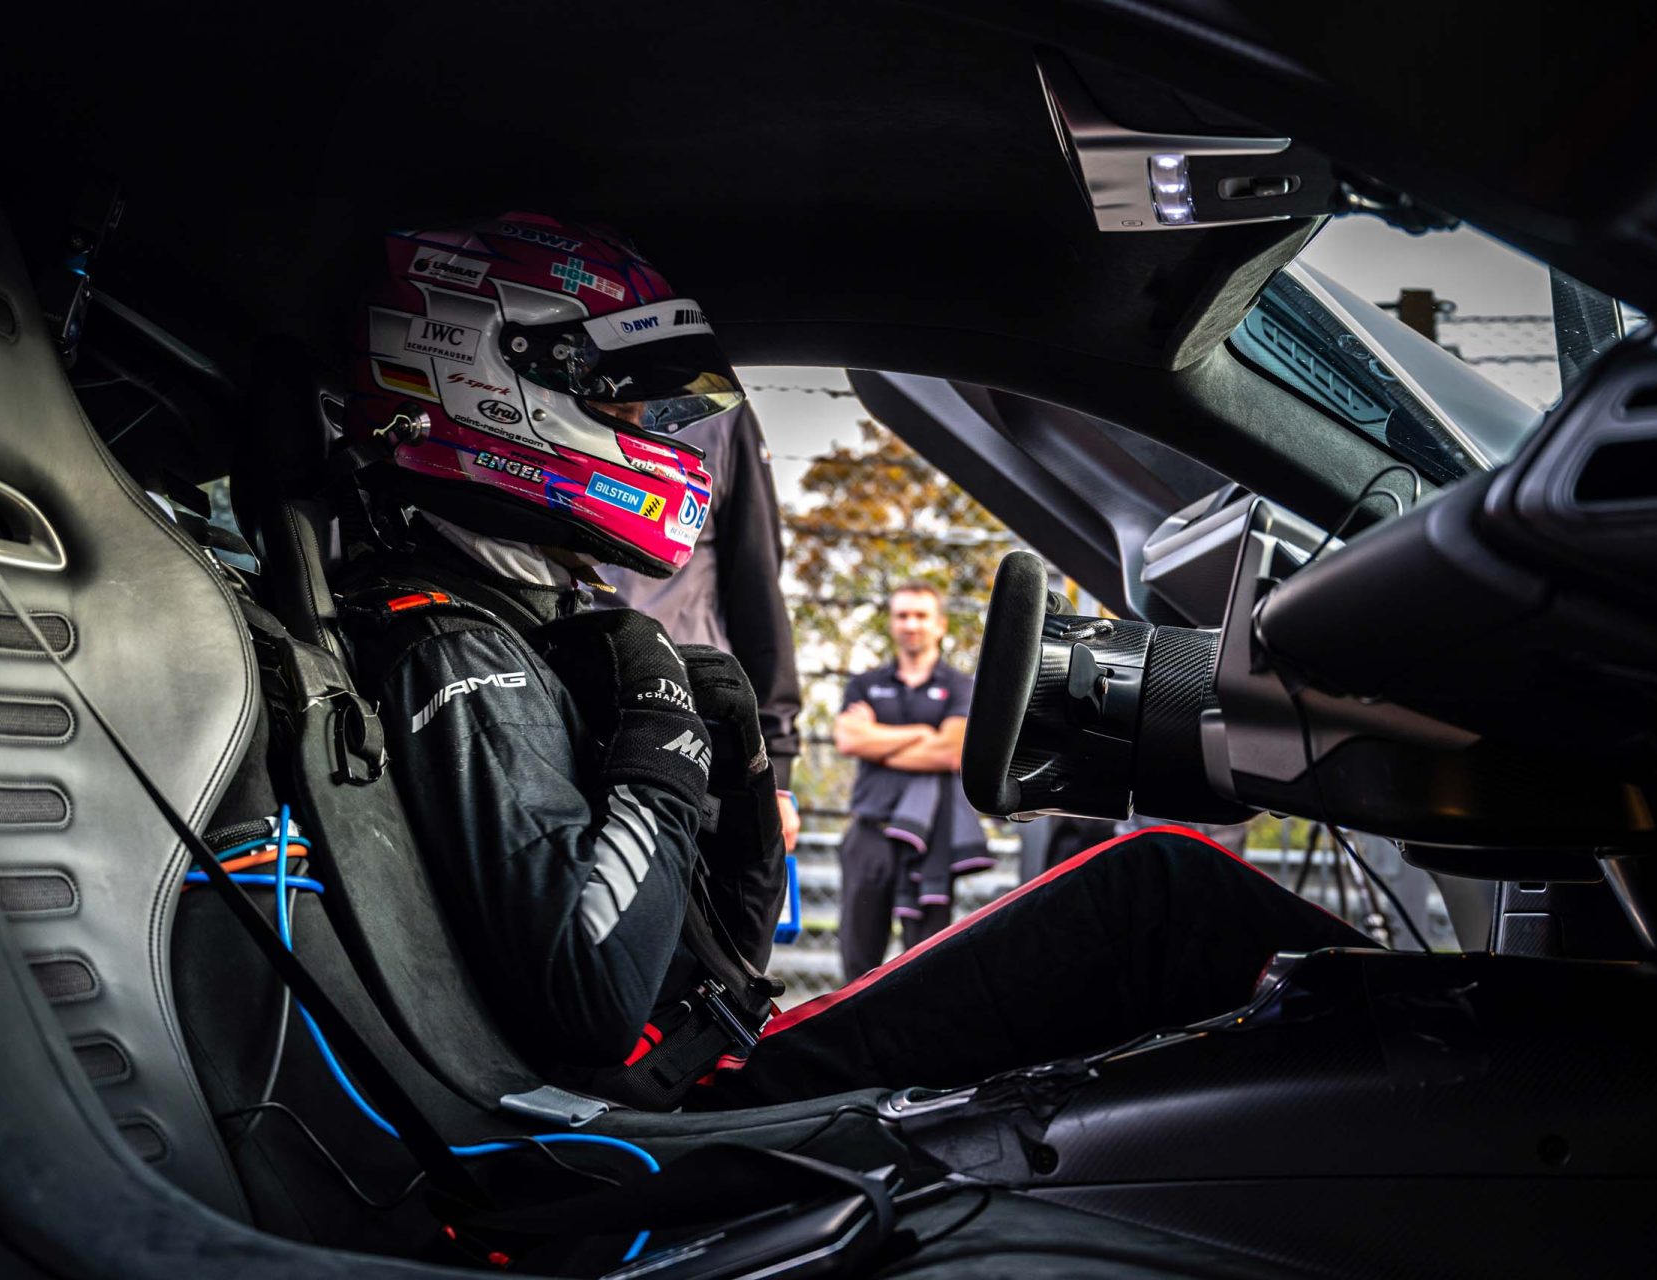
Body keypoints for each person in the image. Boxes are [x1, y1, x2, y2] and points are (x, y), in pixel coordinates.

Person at [329, 217, 1372, 1114]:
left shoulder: (522, 623)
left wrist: (733, 779)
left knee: (1155, 896)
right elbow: (592, 991)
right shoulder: (460, 645)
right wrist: (662, 733)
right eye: (625, 403)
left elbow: (722, 957)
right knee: (1158, 895)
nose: (654, 435)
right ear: (489, 376)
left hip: (703, 1056)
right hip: (670, 1114)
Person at [593, 402, 803, 853]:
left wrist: (776, 771)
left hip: (688, 716)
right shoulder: (529, 385)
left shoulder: (717, 413)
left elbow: (756, 589)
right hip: (559, 701)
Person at [830, 582, 991, 982]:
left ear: (940, 624)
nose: (911, 624)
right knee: (857, 959)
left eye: (921, 615)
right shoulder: (865, 683)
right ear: (892, 623)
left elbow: (951, 752)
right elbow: (848, 740)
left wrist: (877, 741)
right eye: (902, 615)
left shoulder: (961, 686)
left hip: (933, 840)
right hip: (869, 832)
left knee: (926, 963)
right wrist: (922, 733)